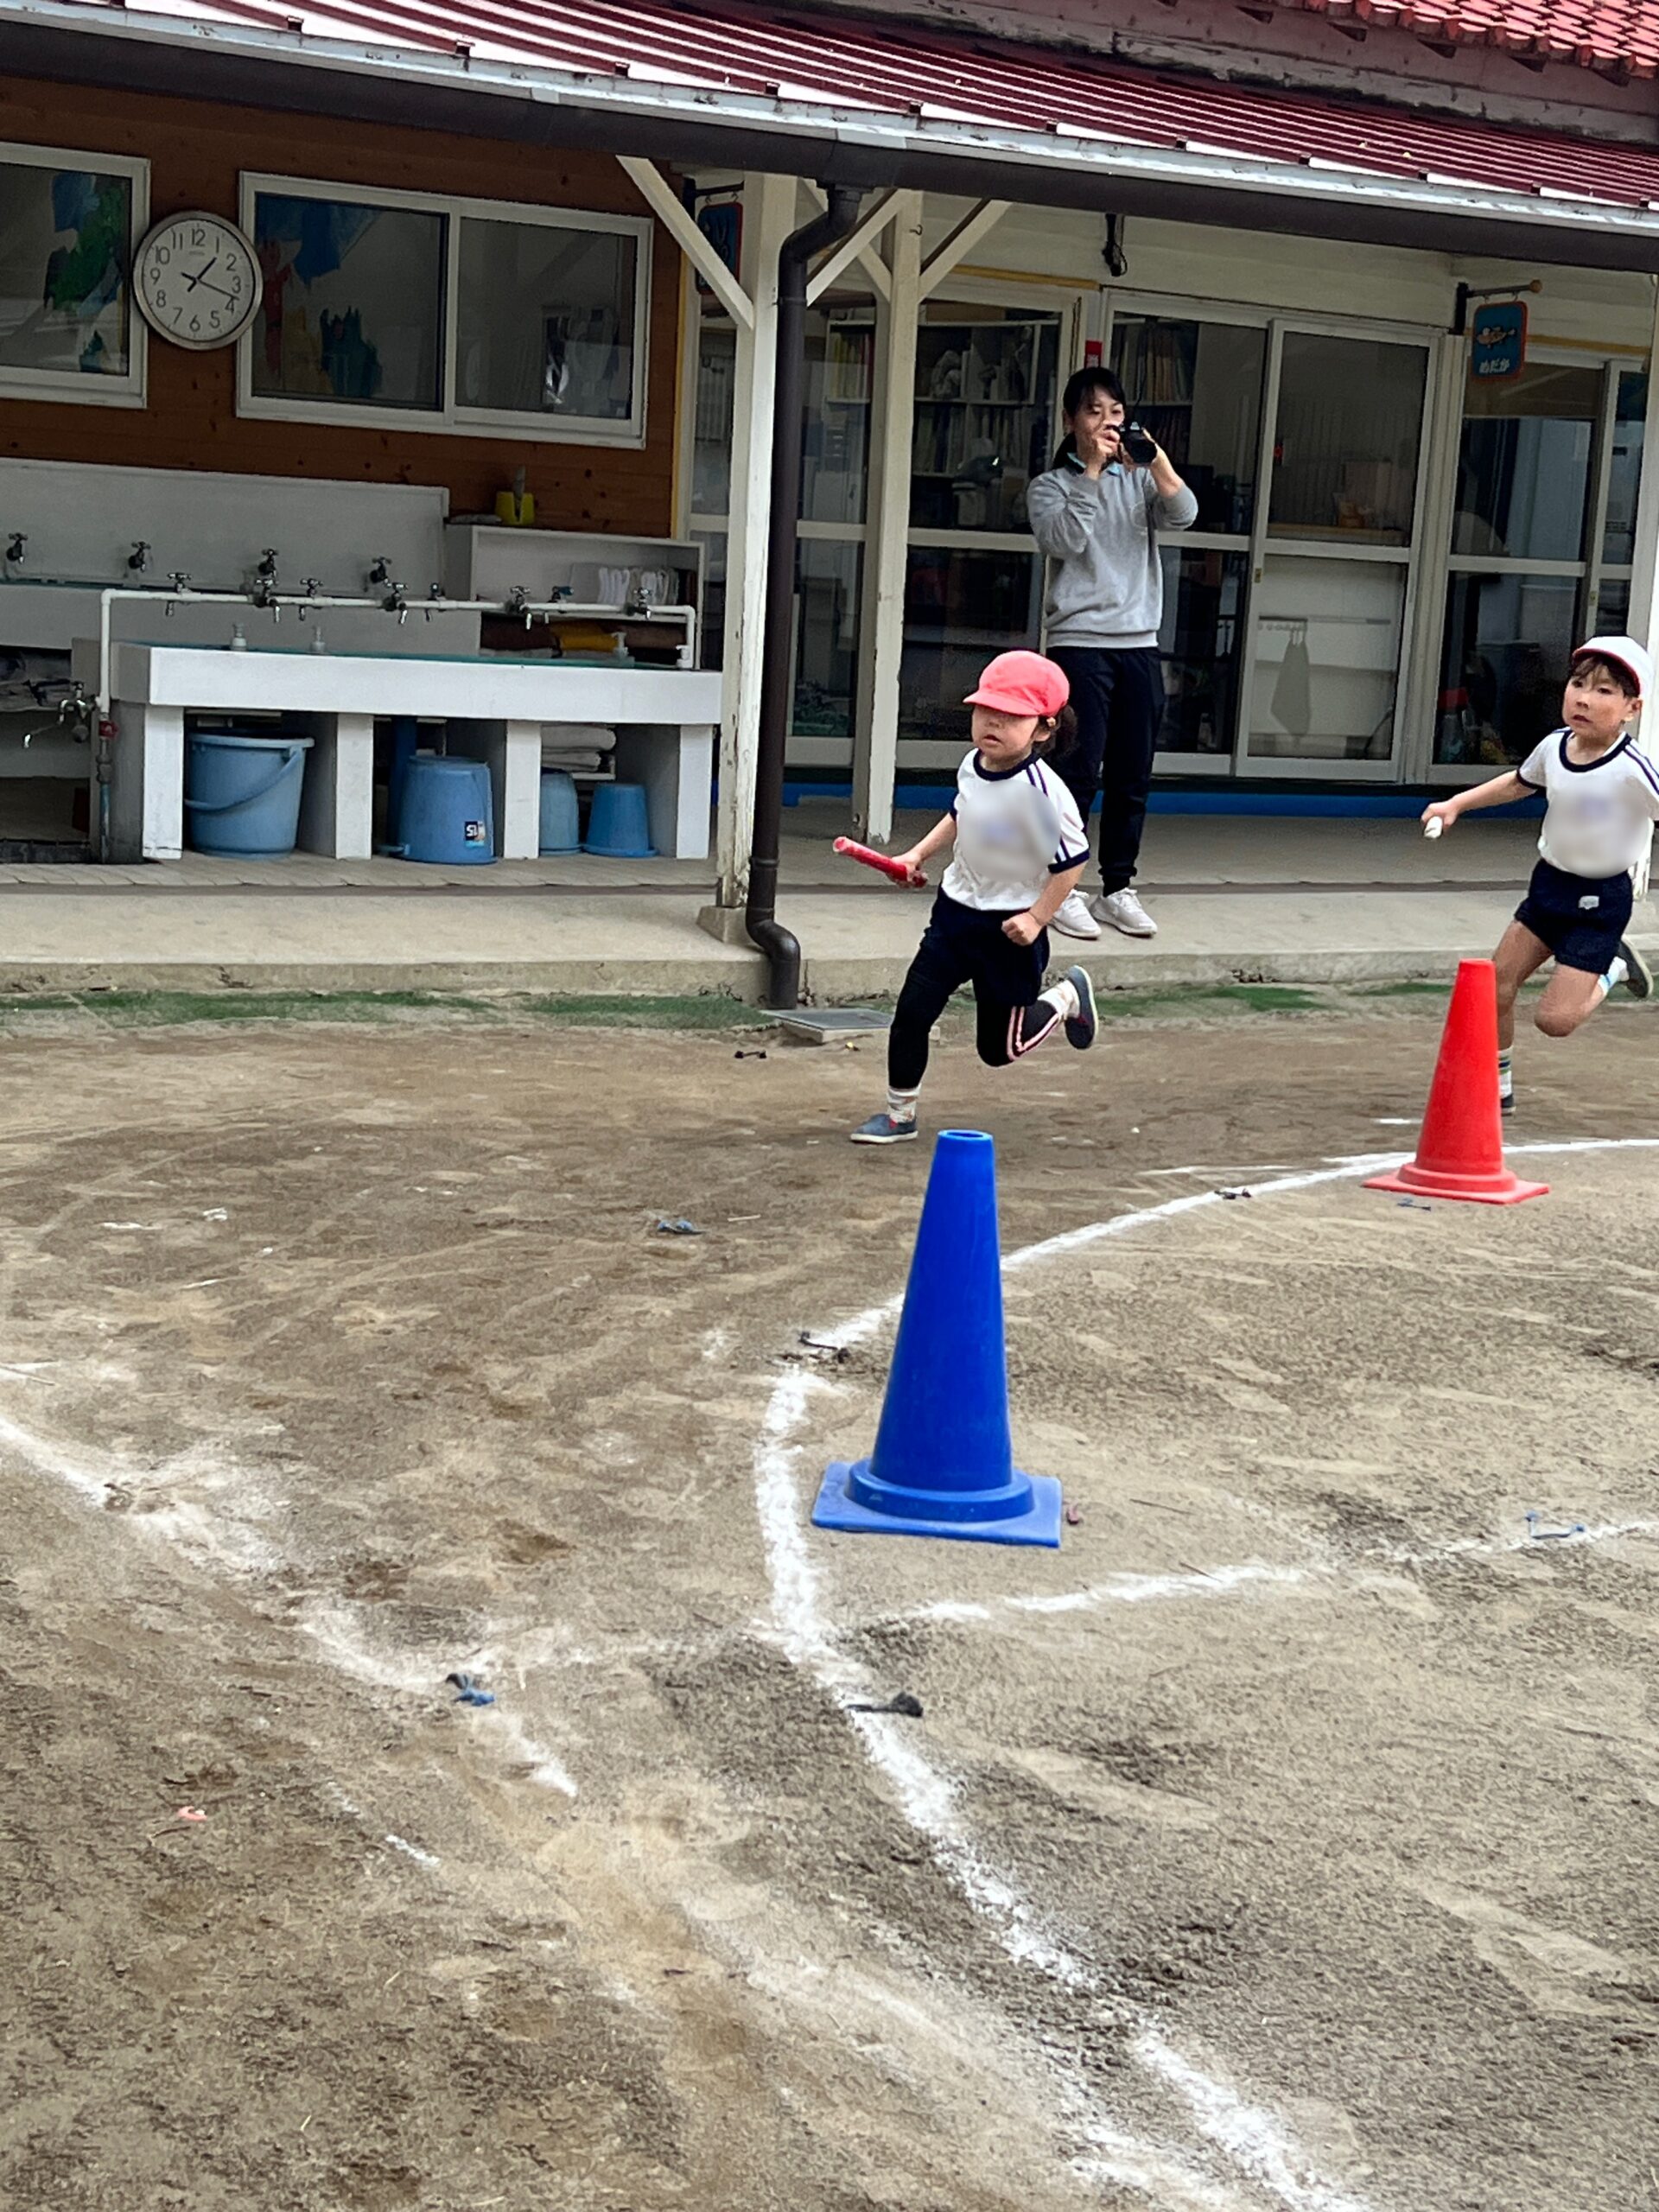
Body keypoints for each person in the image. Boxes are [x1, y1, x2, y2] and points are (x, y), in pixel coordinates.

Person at [850, 651, 1098, 1146]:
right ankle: (900, 1115)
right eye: (986, 710)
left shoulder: (1042, 794)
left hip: (1009, 929)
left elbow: (1072, 863)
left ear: (1043, 730)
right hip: (953, 916)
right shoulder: (972, 764)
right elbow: (960, 814)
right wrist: (916, 854)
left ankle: (1067, 995)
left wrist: (1037, 918)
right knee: (912, 1013)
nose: (993, 723)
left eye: (1011, 716)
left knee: (1000, 1050)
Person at [1422, 633, 1656, 1116]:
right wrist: (1455, 805)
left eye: (1604, 691)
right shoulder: (1553, 747)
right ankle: (1498, 1087)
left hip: (1600, 901)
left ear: (1632, 709)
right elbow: (1518, 783)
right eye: (1578, 684)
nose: (1584, 698)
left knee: (1555, 1021)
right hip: (1549, 885)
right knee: (1494, 987)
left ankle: (1613, 967)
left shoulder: (1634, 769)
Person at [1026, 365, 1198, 944]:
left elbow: (1185, 514)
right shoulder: (1050, 486)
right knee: (1076, 771)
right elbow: (1066, 540)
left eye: (1115, 412)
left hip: (1139, 643)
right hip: (1080, 644)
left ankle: (1118, 888)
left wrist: (1155, 460)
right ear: (1071, 420)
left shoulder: (1140, 481)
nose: (1106, 422)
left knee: (1131, 774)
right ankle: (1062, 888)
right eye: (1093, 411)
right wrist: (1094, 474)